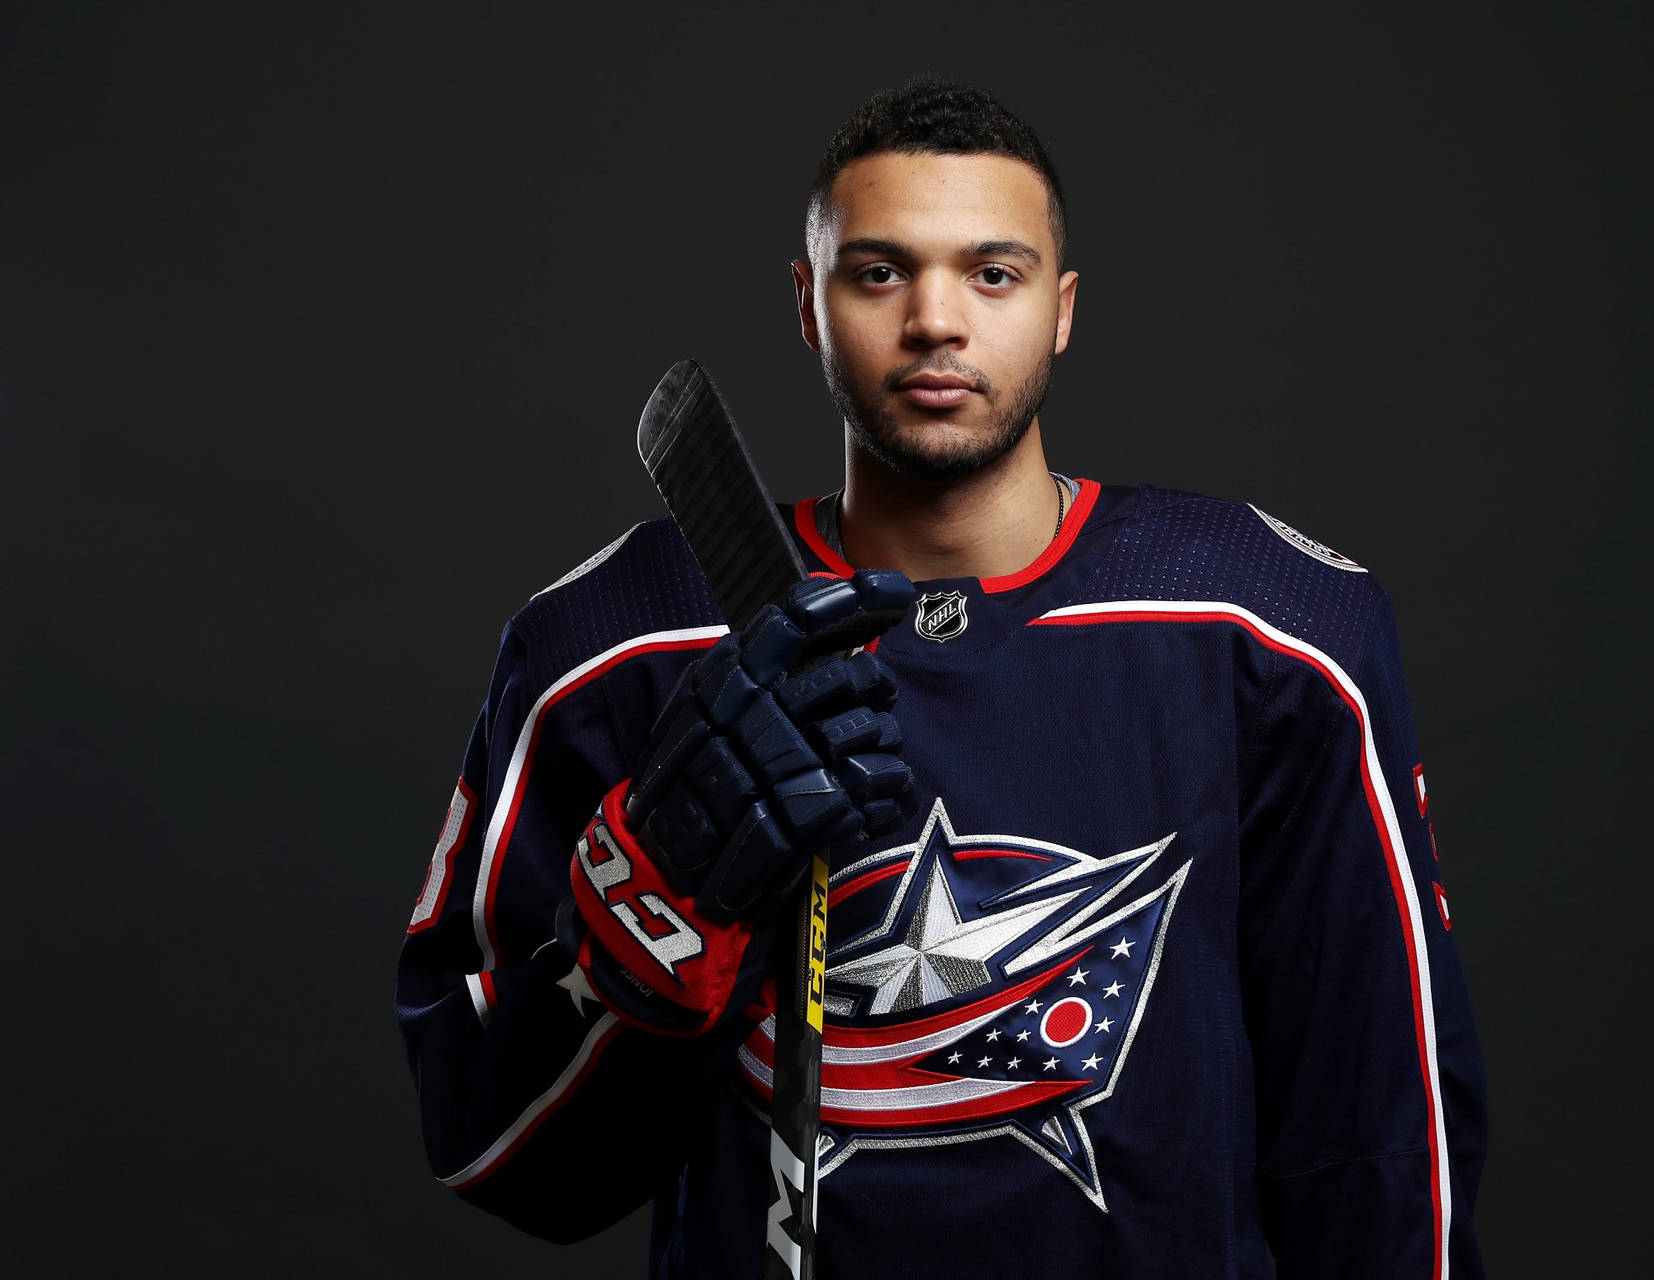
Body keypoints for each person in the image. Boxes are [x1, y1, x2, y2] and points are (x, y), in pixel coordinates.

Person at [397, 78, 1488, 1278]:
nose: (935, 321)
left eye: (993, 273)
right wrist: (654, 901)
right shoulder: (619, 639)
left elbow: (1377, 1127)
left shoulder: (1273, 631)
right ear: (807, 307)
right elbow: (495, 1148)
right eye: (879, 272)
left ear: (1062, 310)